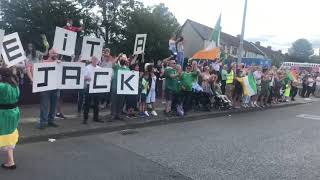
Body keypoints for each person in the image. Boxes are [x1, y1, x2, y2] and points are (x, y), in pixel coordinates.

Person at [28, 49, 60, 129]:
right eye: (53, 53)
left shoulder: (59, 63)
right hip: (45, 88)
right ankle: (43, 122)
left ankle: (51, 121)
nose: (55, 54)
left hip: (56, 88)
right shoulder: (43, 63)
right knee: (44, 106)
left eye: (56, 53)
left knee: (53, 105)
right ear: (49, 54)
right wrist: (33, 79)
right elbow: (33, 69)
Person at [0, 68, 20, 170]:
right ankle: (11, 161)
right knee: (9, 136)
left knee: (3, 136)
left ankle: (11, 161)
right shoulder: (15, 85)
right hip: (14, 113)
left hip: (3, 114)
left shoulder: (2, 86)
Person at [83, 56, 104, 124]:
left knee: (96, 103)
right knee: (87, 103)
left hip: (96, 87)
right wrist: (88, 78)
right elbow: (84, 77)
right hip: (89, 86)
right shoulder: (87, 67)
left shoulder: (100, 68)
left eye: (96, 59)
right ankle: (85, 118)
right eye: (94, 59)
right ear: (91, 60)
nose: (95, 61)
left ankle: (96, 117)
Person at [110, 54, 129, 121]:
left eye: (124, 59)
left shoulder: (127, 68)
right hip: (115, 87)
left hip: (123, 89)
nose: (123, 60)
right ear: (120, 60)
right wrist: (118, 57)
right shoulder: (117, 66)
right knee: (114, 102)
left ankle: (118, 114)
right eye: (122, 59)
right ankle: (113, 115)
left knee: (121, 102)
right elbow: (112, 64)